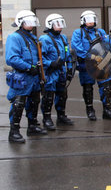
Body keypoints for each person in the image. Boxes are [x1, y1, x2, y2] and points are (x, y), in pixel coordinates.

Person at [6, 10, 47, 143]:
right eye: (28, 22)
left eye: (32, 22)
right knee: (18, 104)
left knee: (34, 101)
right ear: (20, 23)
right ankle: (14, 131)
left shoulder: (32, 37)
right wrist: (29, 67)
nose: (31, 25)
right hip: (22, 76)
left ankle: (32, 125)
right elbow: (12, 58)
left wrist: (38, 70)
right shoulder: (15, 37)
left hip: (34, 77)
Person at [71, 10, 111, 120]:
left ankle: (107, 109)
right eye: (88, 19)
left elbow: (107, 45)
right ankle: (90, 109)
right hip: (86, 65)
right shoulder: (78, 33)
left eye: (93, 19)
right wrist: (92, 57)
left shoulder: (100, 32)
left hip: (101, 65)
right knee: (88, 88)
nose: (91, 22)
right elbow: (77, 48)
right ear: (83, 21)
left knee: (106, 87)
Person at [39, 13, 74, 130]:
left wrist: (69, 68)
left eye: (61, 24)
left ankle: (61, 116)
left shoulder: (63, 38)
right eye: (57, 24)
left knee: (63, 94)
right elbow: (40, 57)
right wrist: (50, 63)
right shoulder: (44, 39)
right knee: (49, 96)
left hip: (61, 71)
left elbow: (67, 53)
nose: (60, 26)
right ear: (50, 25)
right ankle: (47, 118)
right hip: (50, 72)